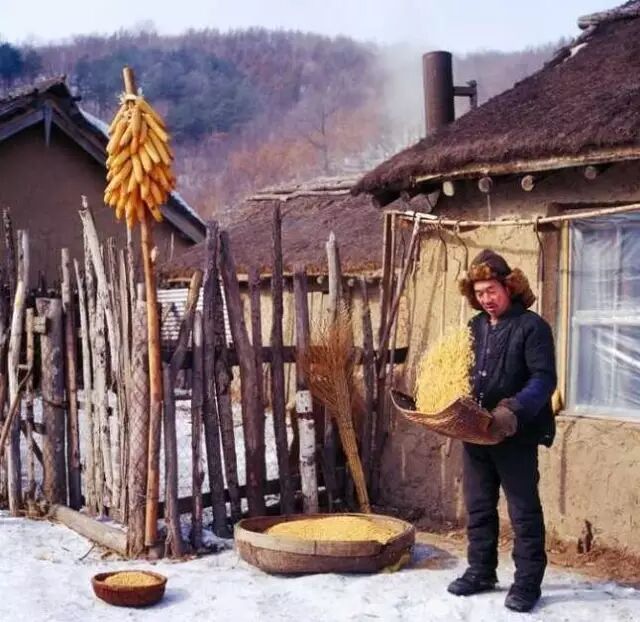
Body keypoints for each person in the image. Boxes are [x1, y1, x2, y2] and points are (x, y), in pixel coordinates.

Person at [447, 249, 557, 613]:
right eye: (479, 293)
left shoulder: (532, 327)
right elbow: (461, 371)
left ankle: (527, 583)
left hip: (514, 435)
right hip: (476, 432)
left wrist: (513, 410)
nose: (486, 299)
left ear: (509, 287)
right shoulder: (475, 327)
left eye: (491, 290)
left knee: (523, 510)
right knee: (478, 505)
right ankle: (481, 571)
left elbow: (544, 379)